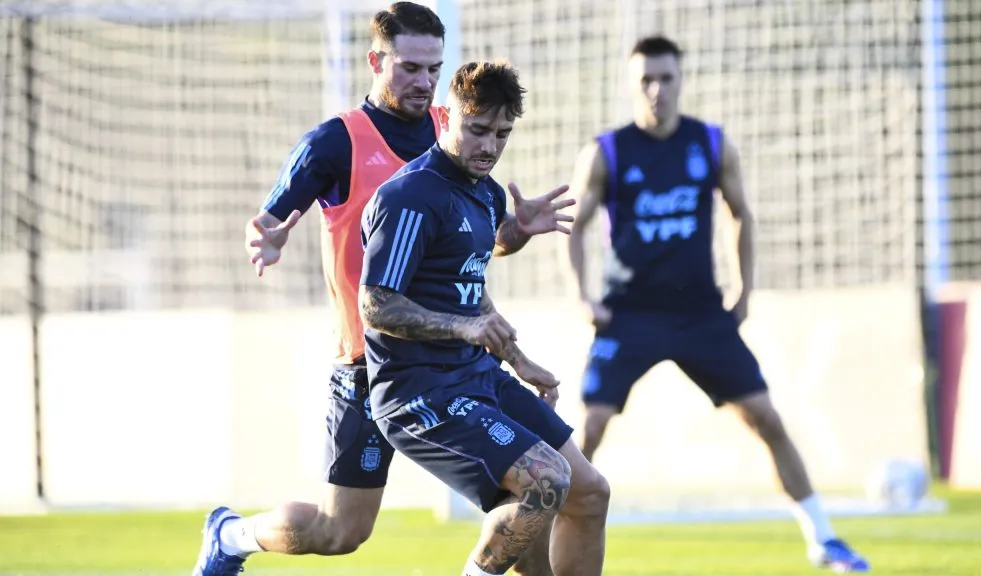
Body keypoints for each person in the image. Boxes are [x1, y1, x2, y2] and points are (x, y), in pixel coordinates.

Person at [192, 4, 564, 575]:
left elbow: (476, 249)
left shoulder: (458, 129)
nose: (424, 81)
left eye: (434, 68)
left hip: (449, 365)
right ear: (375, 61)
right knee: (340, 531)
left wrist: (516, 232)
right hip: (368, 363)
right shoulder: (335, 142)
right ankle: (231, 535)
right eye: (410, 67)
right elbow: (267, 222)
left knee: (549, 488)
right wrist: (265, 236)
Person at [566, 35, 870, 573]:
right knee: (588, 428)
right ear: (632, 84)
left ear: (681, 80)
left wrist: (744, 291)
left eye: (666, 78)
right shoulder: (608, 151)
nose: (657, 89)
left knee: (766, 418)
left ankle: (824, 539)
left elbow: (741, 214)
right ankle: (542, 538)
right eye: (646, 80)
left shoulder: (709, 143)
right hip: (629, 314)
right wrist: (582, 295)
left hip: (700, 314)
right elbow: (575, 225)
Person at [359, 60, 610, 576]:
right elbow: (375, 303)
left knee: (588, 492)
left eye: (502, 134)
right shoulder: (410, 196)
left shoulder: (486, 192)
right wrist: (464, 328)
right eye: (477, 130)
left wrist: (518, 358)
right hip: (420, 394)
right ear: (446, 116)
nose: (489, 146)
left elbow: (468, 276)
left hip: (477, 377)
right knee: (546, 480)